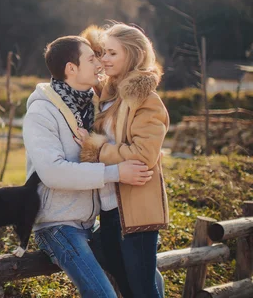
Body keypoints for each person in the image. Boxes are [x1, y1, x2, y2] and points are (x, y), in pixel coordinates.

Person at [23, 35, 154, 297]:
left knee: (150, 282)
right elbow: (52, 172)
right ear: (71, 69)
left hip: (90, 223)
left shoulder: (92, 106)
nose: (99, 63)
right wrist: (115, 173)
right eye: (92, 58)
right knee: (102, 294)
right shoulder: (41, 112)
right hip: (56, 224)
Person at [78, 23, 170, 298]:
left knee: (142, 291)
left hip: (136, 211)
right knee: (126, 287)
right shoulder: (107, 97)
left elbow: (144, 155)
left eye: (112, 54)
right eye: (103, 53)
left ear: (132, 55)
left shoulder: (146, 100)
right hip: (108, 208)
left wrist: (98, 148)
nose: (104, 59)